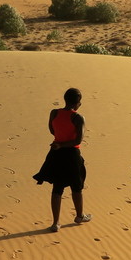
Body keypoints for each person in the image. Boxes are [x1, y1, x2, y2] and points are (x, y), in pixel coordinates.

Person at [32, 87, 91, 232]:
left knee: (57, 188)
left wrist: (59, 142)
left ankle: (55, 223)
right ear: (78, 103)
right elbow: (78, 139)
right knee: (76, 186)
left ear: (65, 100)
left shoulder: (54, 113)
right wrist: (63, 143)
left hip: (56, 153)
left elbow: (52, 130)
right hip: (71, 154)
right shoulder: (78, 118)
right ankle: (79, 216)